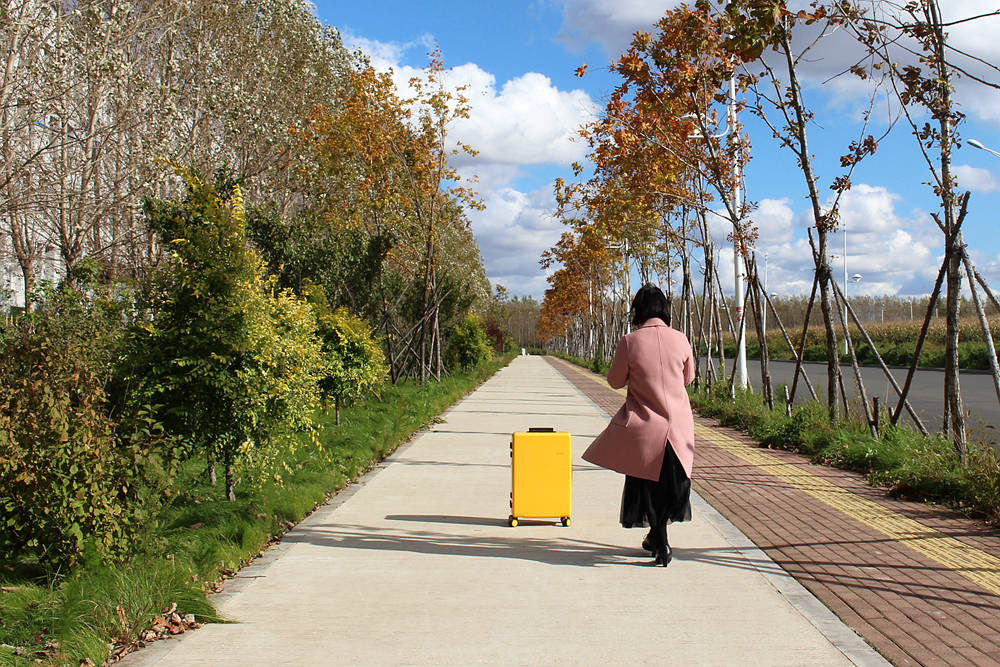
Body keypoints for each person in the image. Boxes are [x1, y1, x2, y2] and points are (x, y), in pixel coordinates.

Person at [581, 283, 696, 567]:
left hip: (645, 428)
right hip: (678, 427)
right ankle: (658, 540)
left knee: (646, 487)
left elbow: (615, 381)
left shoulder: (630, 341)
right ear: (665, 310)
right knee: (672, 486)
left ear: (639, 310)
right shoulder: (681, 339)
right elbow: (688, 378)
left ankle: (661, 543)